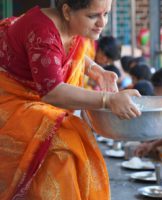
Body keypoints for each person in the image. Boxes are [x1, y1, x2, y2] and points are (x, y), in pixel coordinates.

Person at [0, 0, 141, 199]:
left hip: (33, 98)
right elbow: (52, 92)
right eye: (93, 16)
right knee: (65, 146)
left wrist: (98, 72)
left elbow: (62, 51)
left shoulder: (68, 25)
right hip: (10, 100)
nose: (102, 23)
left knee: (71, 139)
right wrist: (108, 99)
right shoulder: (43, 31)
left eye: (106, 14)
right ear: (67, 11)